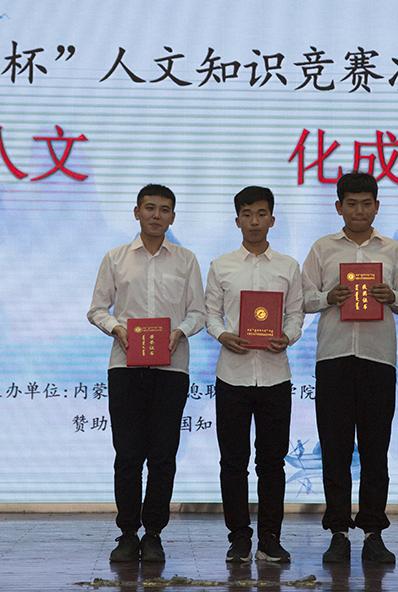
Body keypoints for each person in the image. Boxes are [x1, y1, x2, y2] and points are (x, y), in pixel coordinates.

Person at [87, 184, 206, 563]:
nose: (157, 215)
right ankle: (127, 533)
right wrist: (117, 328)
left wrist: (179, 332)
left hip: (172, 368)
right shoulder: (115, 258)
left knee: (163, 455)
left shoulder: (186, 260)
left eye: (164, 209)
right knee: (127, 454)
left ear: (173, 216)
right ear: (136, 212)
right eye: (150, 208)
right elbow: (97, 309)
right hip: (125, 367)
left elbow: (199, 312)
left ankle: (153, 533)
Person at [301, 172, 398, 564]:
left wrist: (391, 295)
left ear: (377, 206)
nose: (359, 211)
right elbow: (303, 299)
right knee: (334, 448)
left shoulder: (393, 250)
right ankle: (338, 532)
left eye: (367, 204)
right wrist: (328, 297)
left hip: (378, 359)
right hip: (333, 358)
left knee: (375, 449)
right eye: (351, 204)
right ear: (339, 207)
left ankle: (373, 532)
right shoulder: (323, 248)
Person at [205, 186, 304, 563]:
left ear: (272, 219)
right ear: (237, 220)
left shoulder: (288, 266)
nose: (254, 221)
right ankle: (239, 538)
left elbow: (296, 314)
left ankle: (270, 538)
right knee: (233, 462)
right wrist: (222, 335)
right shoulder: (221, 265)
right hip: (232, 375)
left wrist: (288, 336)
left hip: (275, 376)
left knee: (272, 463)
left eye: (261, 214)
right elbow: (210, 314)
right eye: (247, 214)